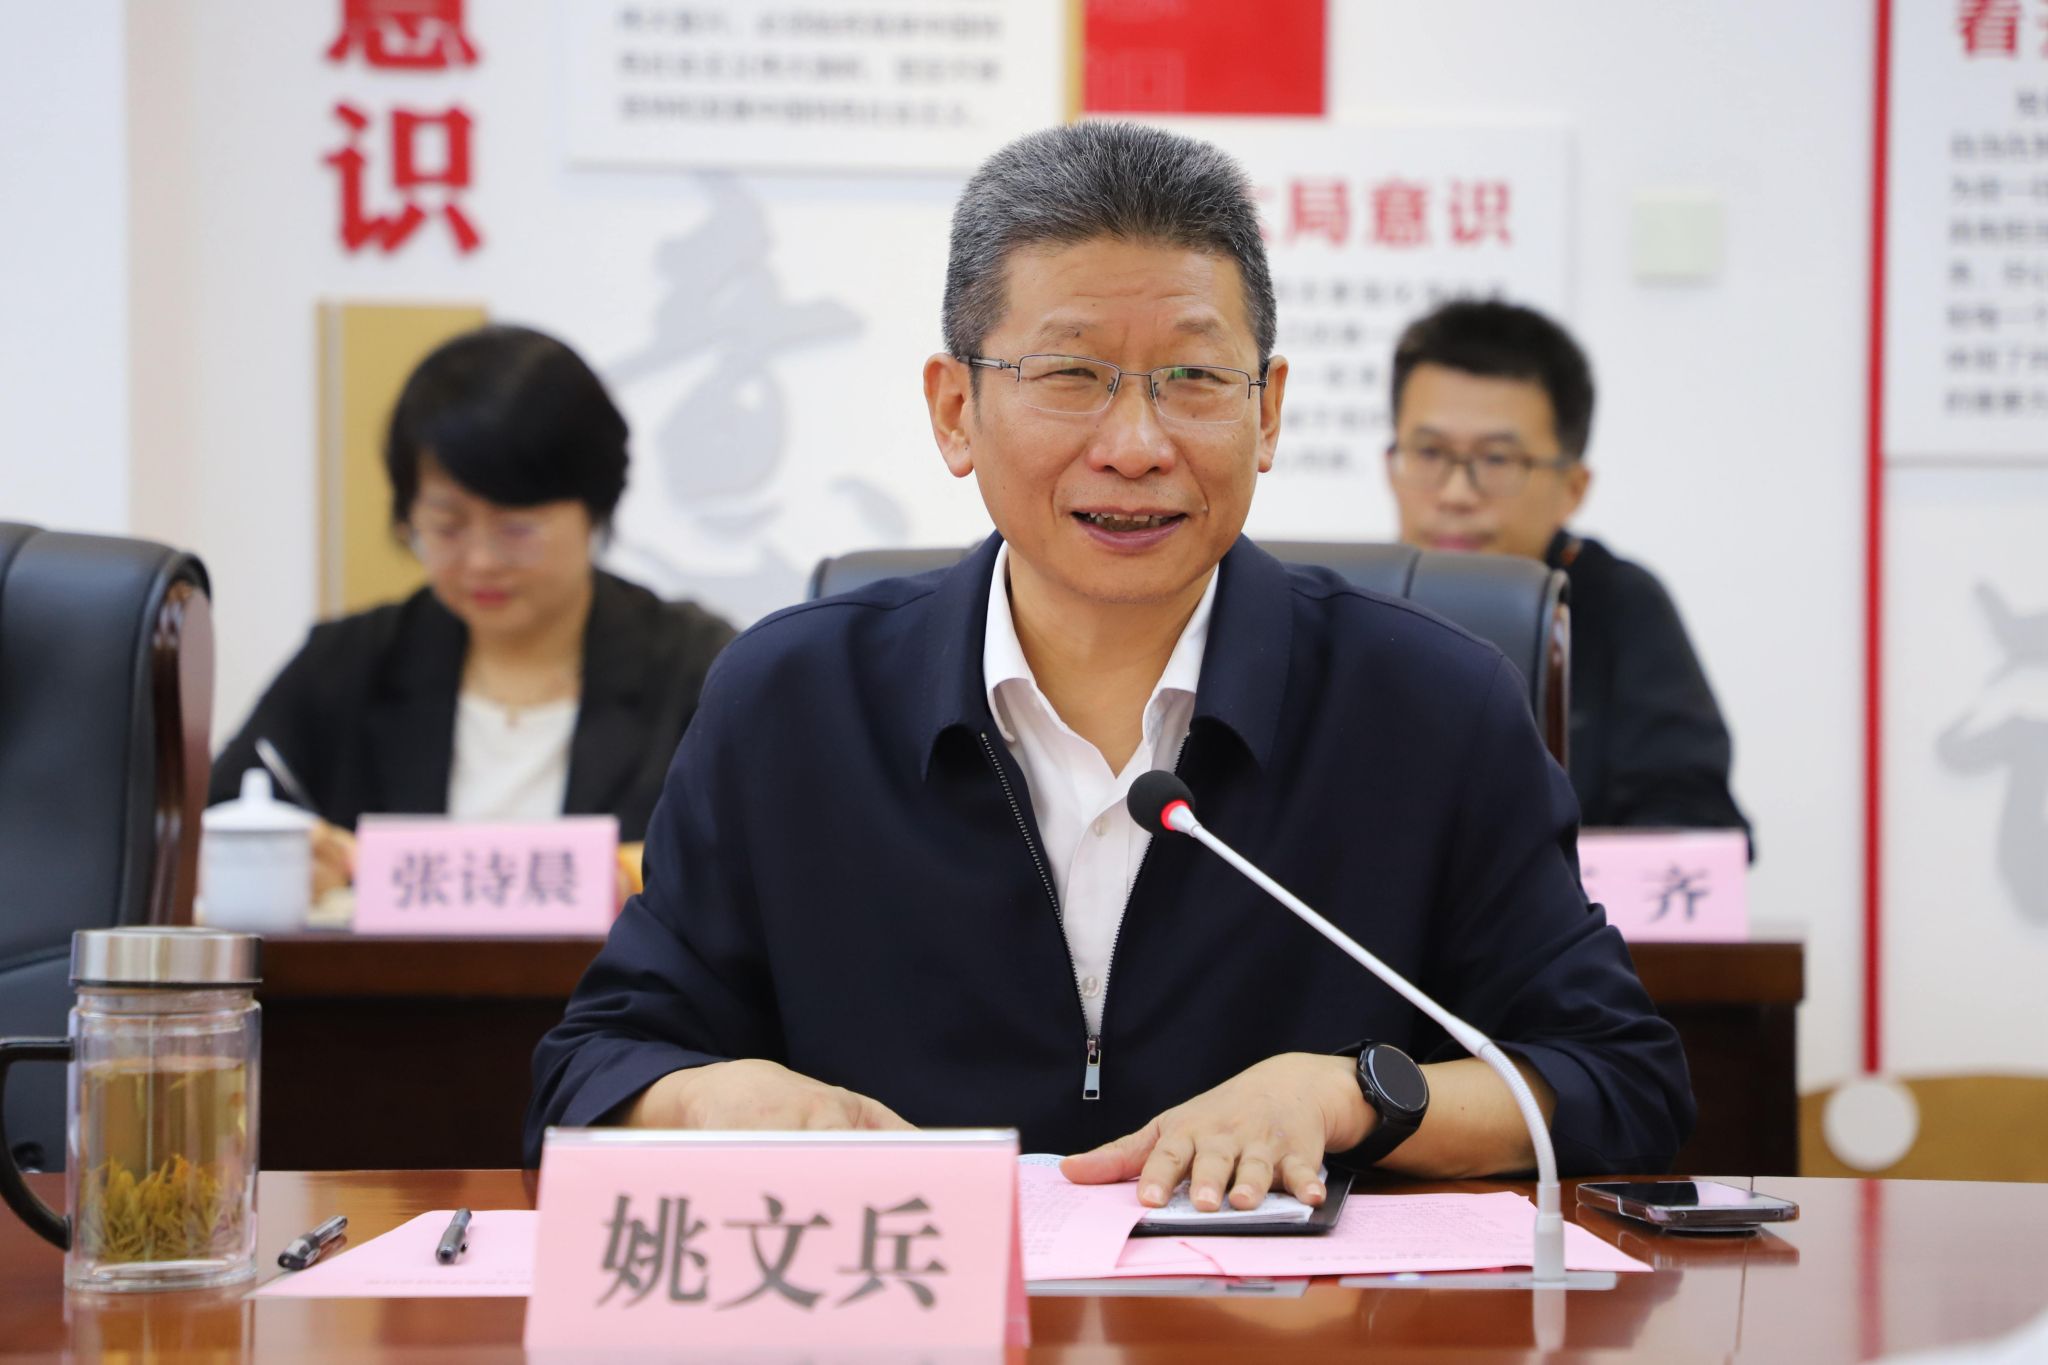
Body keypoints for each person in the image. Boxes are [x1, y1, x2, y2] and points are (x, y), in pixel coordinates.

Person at [527, 125, 1693, 1207]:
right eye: (1069, 375)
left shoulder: (1428, 708)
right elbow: (591, 1069)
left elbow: (1615, 1079)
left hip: (1297, 1322)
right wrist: (707, 1099)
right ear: (954, 410)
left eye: (1193, 379)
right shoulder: (789, 703)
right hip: (908, 1310)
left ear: (1267, 413)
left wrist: (1350, 1096)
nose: (1134, 447)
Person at [210, 325, 737, 895]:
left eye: (517, 528)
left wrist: (635, 874)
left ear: (594, 510)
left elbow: (750, 860)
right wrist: (288, 864)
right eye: (447, 526)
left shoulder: (699, 671)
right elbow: (207, 834)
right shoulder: (347, 665)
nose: (481, 561)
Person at [1384, 300, 1751, 840]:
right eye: (1430, 453)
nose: (1456, 494)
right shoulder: (1347, 603)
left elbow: (1690, 823)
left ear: (1573, 488)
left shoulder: (1622, 605)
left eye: (1497, 460)